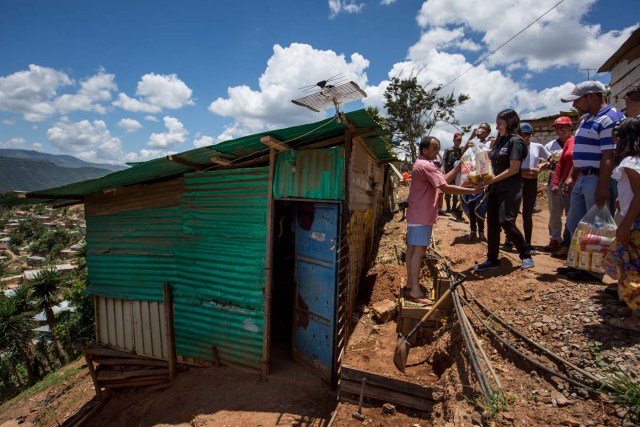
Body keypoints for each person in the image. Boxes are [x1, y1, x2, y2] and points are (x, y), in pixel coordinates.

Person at [559, 80, 625, 281]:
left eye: (577, 100)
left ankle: (594, 270)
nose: (574, 105)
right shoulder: (586, 118)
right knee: (575, 224)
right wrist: (572, 176)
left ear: (592, 96)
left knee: (597, 229)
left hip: (597, 178)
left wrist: (602, 187)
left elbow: (608, 156)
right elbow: (579, 153)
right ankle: (580, 263)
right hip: (582, 178)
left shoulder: (610, 118)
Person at [404, 137, 481, 302]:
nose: (437, 151)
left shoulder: (422, 163)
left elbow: (442, 180)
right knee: (419, 252)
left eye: (438, 148)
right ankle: (415, 291)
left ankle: (411, 284)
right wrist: (472, 191)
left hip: (416, 214)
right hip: (422, 215)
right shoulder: (426, 165)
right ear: (424, 150)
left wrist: (459, 165)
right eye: (434, 148)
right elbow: (445, 187)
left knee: (412, 250)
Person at [474, 109, 534, 271]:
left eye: (500, 123)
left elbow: (514, 169)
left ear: (510, 122)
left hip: (510, 188)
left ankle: (526, 254)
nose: (497, 126)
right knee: (492, 223)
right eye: (497, 123)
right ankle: (492, 259)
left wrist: (493, 179)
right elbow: (490, 164)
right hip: (494, 189)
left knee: (505, 220)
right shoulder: (499, 141)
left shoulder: (516, 141)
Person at [603, 117, 640, 331]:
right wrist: (621, 199)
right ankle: (632, 308)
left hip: (635, 224)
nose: (615, 144)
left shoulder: (630, 162)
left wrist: (625, 224)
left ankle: (636, 318)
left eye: (617, 139)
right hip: (634, 219)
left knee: (630, 269)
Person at [515, 123, 551, 254]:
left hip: (531, 182)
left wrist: (541, 166)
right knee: (512, 212)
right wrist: (526, 170)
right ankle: (509, 239)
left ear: (530, 135)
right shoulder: (514, 147)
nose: (524, 137)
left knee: (527, 213)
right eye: (521, 134)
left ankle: (528, 242)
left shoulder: (538, 147)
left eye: (526, 135)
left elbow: (551, 159)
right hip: (516, 182)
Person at [544, 116, 574, 253]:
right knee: (555, 213)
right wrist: (552, 165)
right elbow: (544, 164)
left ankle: (570, 241)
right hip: (554, 183)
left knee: (572, 213)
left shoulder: (577, 142)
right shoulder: (550, 146)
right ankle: (555, 239)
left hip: (572, 184)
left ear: (570, 127)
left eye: (563, 127)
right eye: (557, 128)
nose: (559, 130)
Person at [443, 133, 463, 214]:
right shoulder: (448, 150)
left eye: (460, 140)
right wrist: (443, 170)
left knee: (456, 190)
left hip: (458, 174)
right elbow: (444, 160)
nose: (459, 141)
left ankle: (454, 208)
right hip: (449, 172)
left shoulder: (461, 150)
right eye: (457, 139)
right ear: (454, 140)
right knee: (447, 190)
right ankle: (448, 207)